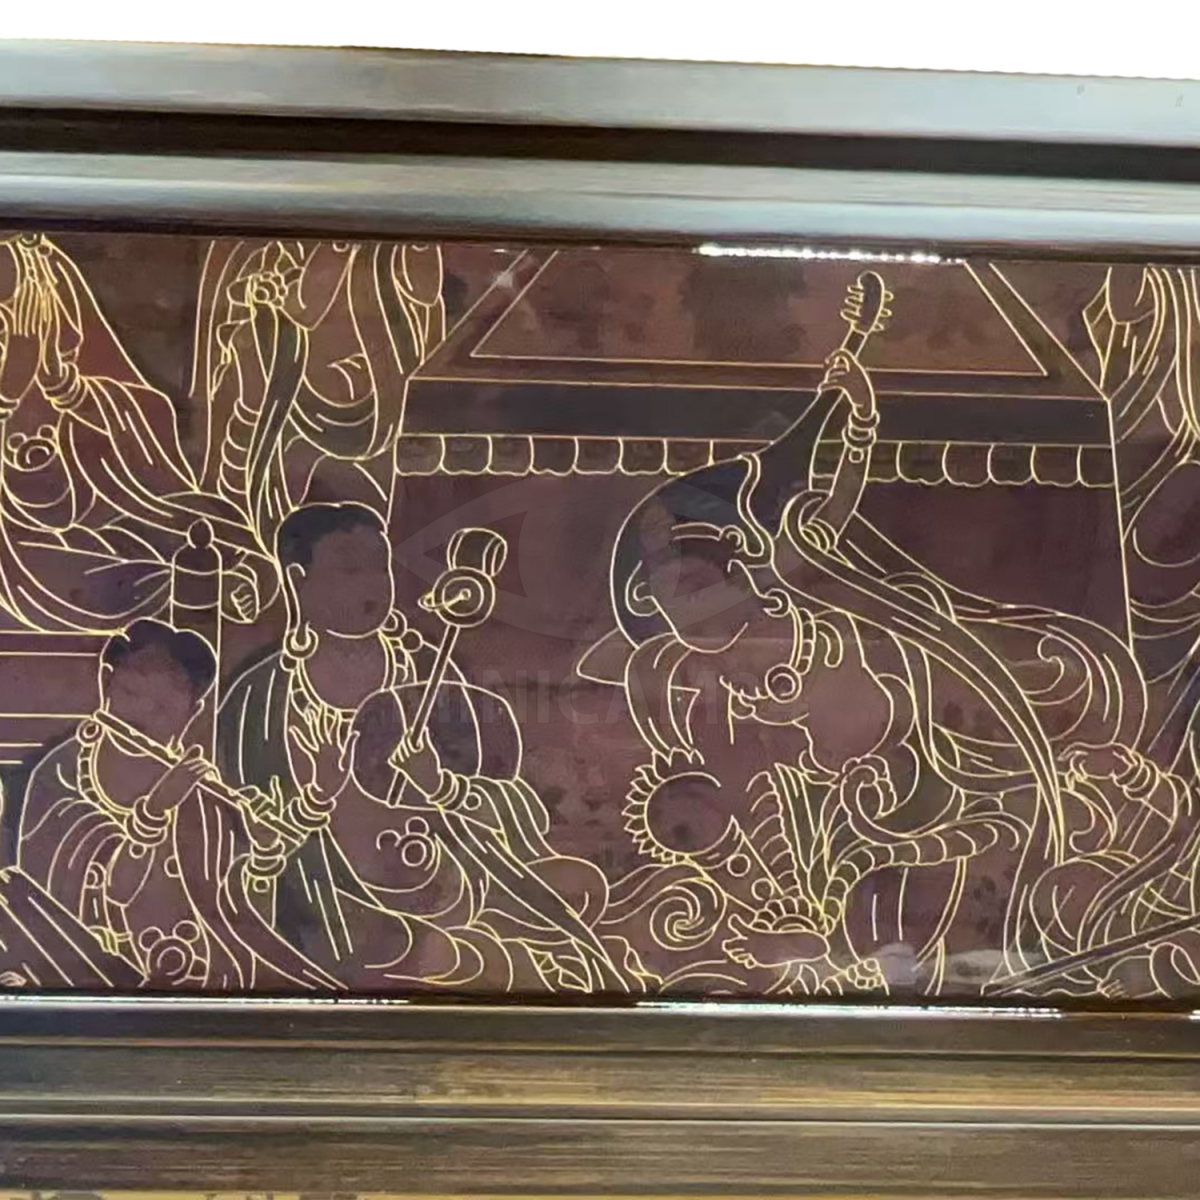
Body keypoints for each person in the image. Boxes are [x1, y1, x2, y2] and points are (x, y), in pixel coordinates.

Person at [582, 284, 1146, 995]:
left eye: (698, 554)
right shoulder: (683, 690)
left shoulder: (798, 598)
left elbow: (827, 508)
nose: (687, 572)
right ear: (644, 599)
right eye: (666, 567)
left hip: (931, 795)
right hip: (832, 880)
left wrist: (857, 418)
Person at [218, 502, 640, 993]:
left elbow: (508, 801)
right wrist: (312, 801)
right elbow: (243, 841)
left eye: (379, 567)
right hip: (320, 920)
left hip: (446, 914)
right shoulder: (259, 700)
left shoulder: (428, 671)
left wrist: (440, 786)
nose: (372, 584)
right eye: (350, 569)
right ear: (298, 580)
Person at [17, 619, 336, 990]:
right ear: (106, 681)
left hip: (206, 972)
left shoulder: (201, 791)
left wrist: (262, 854)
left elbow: (234, 911)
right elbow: (107, 895)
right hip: (96, 974)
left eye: (164, 708)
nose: (142, 716)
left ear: (192, 711)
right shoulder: (60, 774)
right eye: (131, 693)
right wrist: (154, 812)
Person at [0, 233, 275, 634]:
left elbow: (146, 456)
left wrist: (68, 389)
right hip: (33, 549)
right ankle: (185, 583)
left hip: (99, 506)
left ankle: (204, 574)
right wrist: (10, 389)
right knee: (59, 574)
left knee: (181, 516)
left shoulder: (40, 266)